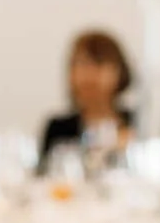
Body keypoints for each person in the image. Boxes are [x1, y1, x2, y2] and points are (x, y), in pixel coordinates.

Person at [38, 30, 137, 172]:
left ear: (119, 71)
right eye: (80, 64)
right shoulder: (58, 128)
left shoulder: (139, 124)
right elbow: (43, 178)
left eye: (98, 63)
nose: (88, 74)